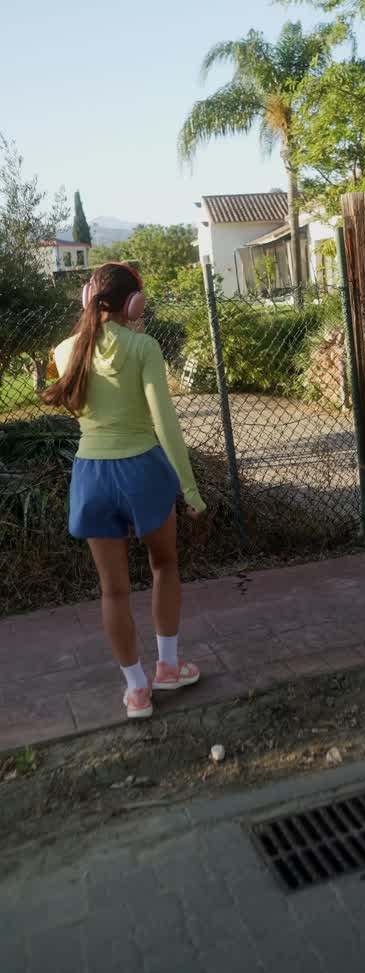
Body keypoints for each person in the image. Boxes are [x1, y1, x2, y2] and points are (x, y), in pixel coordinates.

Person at [44, 261, 206, 721]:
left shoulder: (64, 349)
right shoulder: (144, 347)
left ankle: (137, 691)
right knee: (164, 564)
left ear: (87, 299)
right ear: (134, 304)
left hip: (90, 477)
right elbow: (165, 424)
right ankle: (168, 667)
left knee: (112, 591)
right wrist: (190, 491)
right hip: (143, 471)